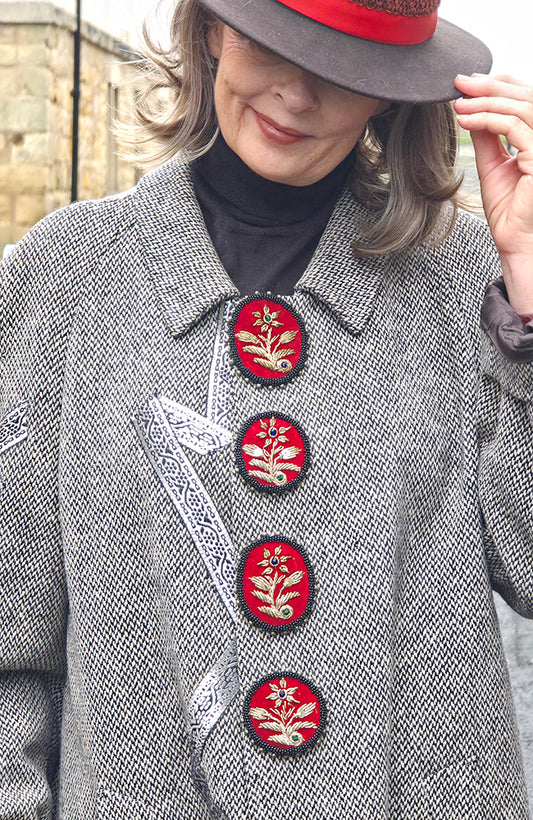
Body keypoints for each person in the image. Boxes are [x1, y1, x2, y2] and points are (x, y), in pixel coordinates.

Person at [0, 0, 532, 815]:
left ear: (387, 92)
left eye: (341, 65)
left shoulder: (465, 278)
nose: (294, 93)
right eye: (270, 42)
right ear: (210, 28)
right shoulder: (67, 277)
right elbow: (10, 649)